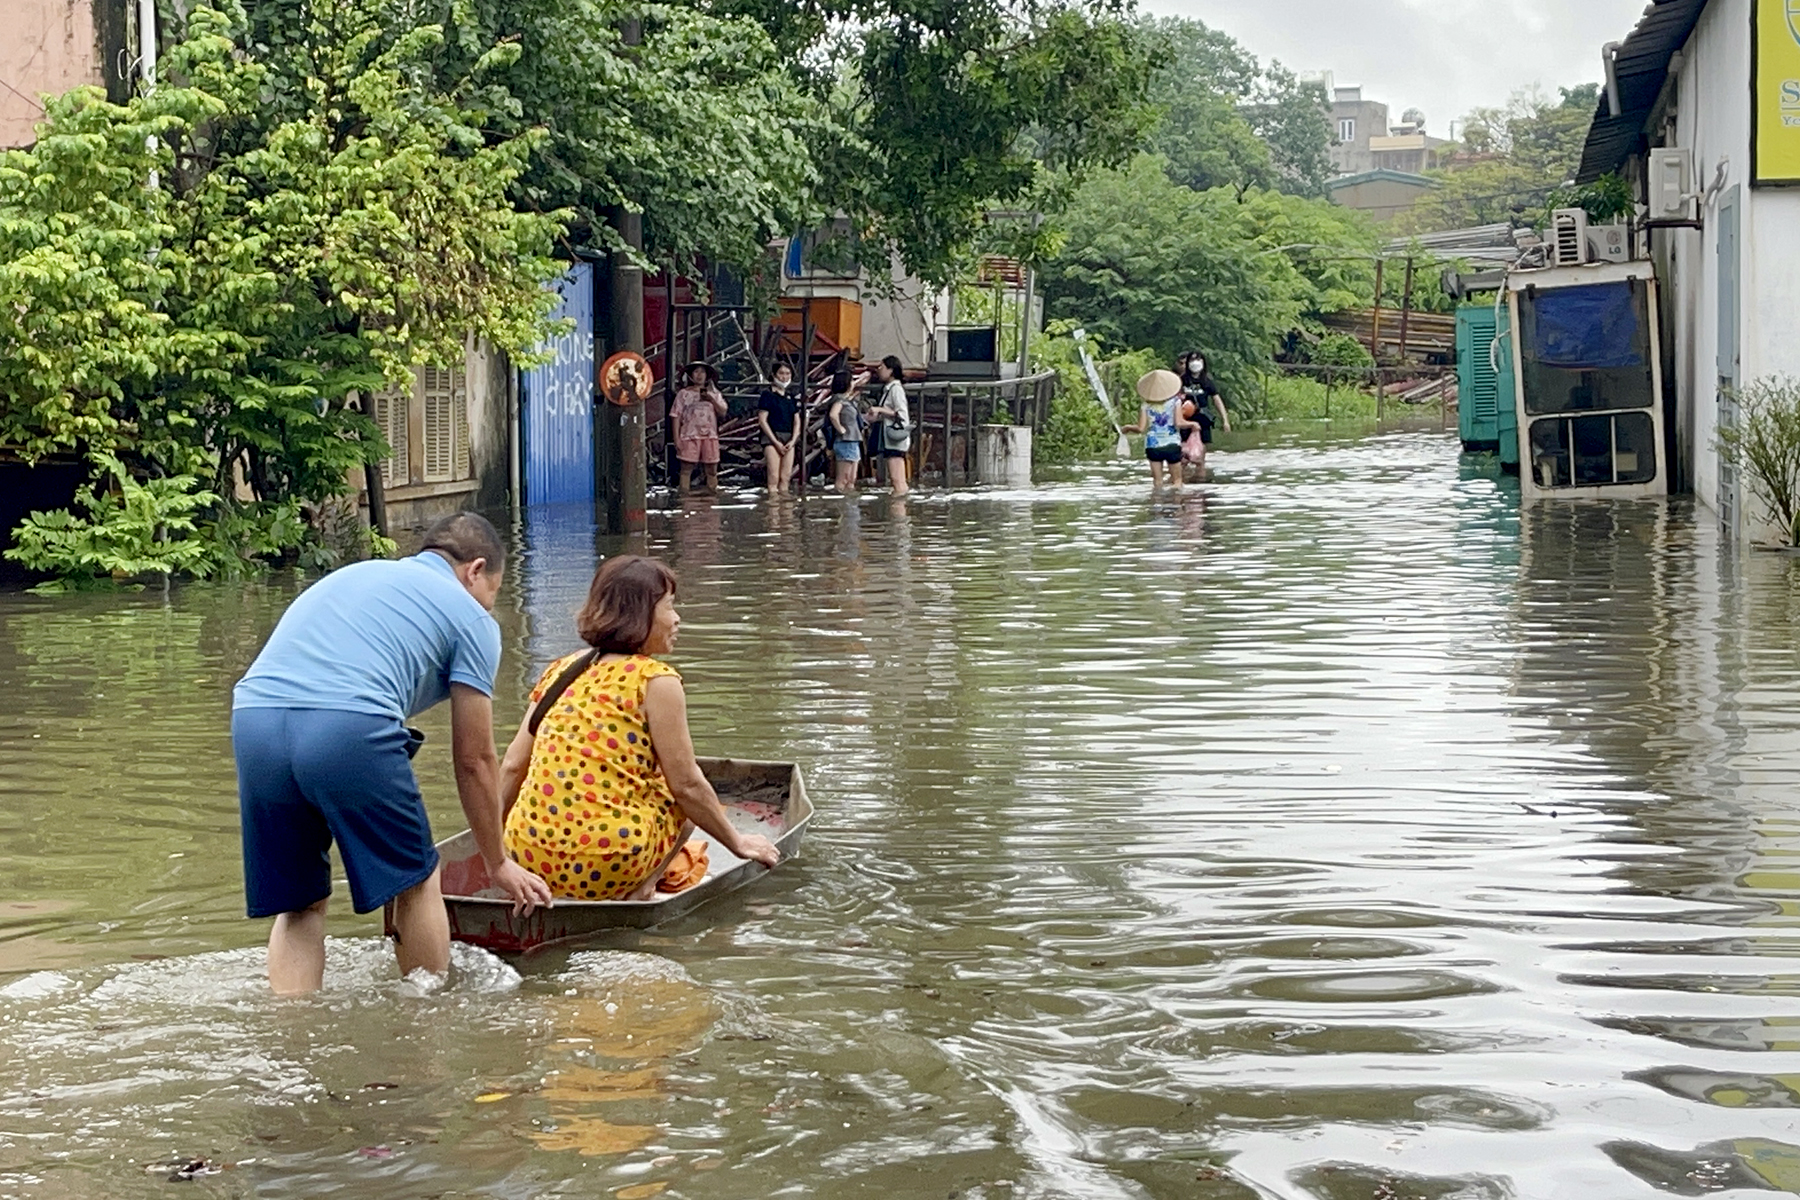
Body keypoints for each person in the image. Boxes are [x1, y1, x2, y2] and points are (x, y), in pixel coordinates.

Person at [232, 512, 553, 994]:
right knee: (418, 880)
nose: (490, 605)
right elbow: (474, 760)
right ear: (475, 569)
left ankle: (292, 1038)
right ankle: (424, 1030)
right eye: (494, 591)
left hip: (254, 720)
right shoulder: (471, 619)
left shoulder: (355, 574)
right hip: (346, 725)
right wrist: (498, 861)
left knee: (300, 905)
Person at [498, 556, 781, 900]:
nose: (677, 619)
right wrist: (738, 843)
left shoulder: (561, 669)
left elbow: (513, 766)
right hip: (608, 862)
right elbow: (687, 786)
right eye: (669, 607)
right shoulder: (656, 680)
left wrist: (491, 853)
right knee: (682, 797)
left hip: (528, 854)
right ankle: (641, 889)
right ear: (640, 615)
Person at [1125, 369, 1198, 489]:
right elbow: (1179, 423)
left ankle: (1157, 504)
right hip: (1172, 443)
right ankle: (1175, 504)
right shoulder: (1175, 402)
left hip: (1153, 445)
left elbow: (1141, 428)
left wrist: (1128, 427)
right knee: (1177, 482)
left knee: (1157, 483)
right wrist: (1193, 424)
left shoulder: (1146, 405)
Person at [671, 363, 727, 495]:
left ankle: (712, 498)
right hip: (689, 435)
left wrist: (711, 399)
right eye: (696, 372)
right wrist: (676, 439)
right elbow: (675, 416)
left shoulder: (714, 394)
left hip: (710, 436)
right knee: (686, 469)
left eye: (702, 372)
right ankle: (684, 498)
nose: (699, 375)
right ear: (690, 376)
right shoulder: (683, 394)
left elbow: (723, 411)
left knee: (712, 470)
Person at [1178, 352, 1232, 481]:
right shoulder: (1181, 380)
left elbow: (1217, 400)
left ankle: (1200, 481)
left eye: (1198, 360)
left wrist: (1225, 420)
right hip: (1184, 420)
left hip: (1202, 421)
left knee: (1200, 457)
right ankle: (1182, 480)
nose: (1195, 363)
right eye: (1192, 360)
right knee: (1183, 457)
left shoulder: (1207, 382)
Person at [867, 355, 911, 496]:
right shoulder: (890, 389)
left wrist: (880, 409)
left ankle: (899, 510)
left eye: (882, 367)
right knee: (896, 477)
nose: (879, 370)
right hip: (890, 437)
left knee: (896, 478)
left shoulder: (896, 389)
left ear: (891, 370)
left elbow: (900, 413)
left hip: (894, 438)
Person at [757, 362, 802, 497]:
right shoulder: (767, 395)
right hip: (772, 437)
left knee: (785, 476)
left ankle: (785, 511)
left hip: (789, 437)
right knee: (773, 476)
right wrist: (775, 441)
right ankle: (773, 511)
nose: (784, 377)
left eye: (787, 374)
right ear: (774, 375)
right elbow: (762, 420)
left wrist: (793, 440)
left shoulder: (791, 397)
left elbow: (797, 421)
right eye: (781, 373)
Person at [826, 368, 865, 494]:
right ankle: (841, 506)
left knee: (851, 478)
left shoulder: (848, 400)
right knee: (844, 478)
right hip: (845, 440)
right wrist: (841, 429)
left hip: (853, 440)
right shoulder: (839, 400)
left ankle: (849, 507)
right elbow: (833, 415)